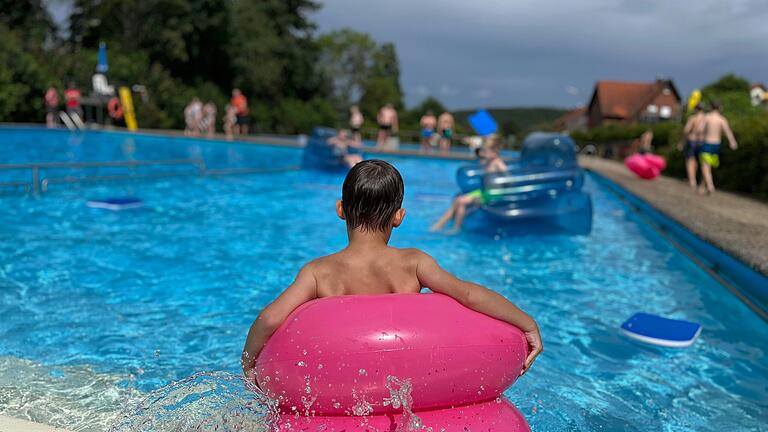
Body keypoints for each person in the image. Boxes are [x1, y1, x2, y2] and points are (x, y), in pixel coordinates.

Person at [241, 160, 542, 381]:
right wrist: (526, 323)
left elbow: (269, 318)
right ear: (399, 217)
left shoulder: (318, 272)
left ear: (340, 209)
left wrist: (250, 365)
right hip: (403, 378)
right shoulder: (413, 263)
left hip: (343, 380)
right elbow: (469, 295)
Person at [430, 138, 507, 234]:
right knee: (456, 200)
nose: (484, 153)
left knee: (461, 201)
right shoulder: (489, 161)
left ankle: (456, 228)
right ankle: (439, 225)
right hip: (484, 191)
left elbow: (507, 177)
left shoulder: (498, 163)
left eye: (486, 151)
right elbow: (480, 158)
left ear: (495, 151)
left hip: (492, 194)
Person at [699, 100, 738, 195]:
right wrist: (732, 142)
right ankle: (703, 187)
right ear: (720, 108)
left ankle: (710, 185)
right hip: (716, 145)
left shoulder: (707, 117)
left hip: (707, 143)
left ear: (710, 107)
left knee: (705, 166)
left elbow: (700, 129)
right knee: (709, 167)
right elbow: (728, 131)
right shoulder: (722, 119)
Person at [681, 104, 706, 190]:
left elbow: (686, 130)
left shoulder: (693, 118)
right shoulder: (705, 119)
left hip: (692, 140)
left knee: (690, 161)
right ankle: (699, 181)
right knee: (697, 161)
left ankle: (692, 180)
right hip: (702, 141)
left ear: (696, 109)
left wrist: (682, 142)